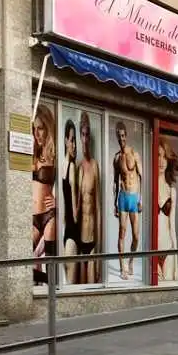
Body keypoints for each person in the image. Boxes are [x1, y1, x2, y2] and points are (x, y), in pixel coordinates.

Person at [113, 121, 143, 280]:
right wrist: (114, 204)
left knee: (136, 236)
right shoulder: (117, 158)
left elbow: (142, 177)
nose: (121, 139)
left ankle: (130, 262)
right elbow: (115, 182)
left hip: (134, 197)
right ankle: (122, 267)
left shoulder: (135, 154)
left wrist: (141, 199)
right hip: (123, 197)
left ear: (127, 136)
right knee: (122, 234)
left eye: (123, 135)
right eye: (119, 136)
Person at [32, 104, 57, 286]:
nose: (37, 134)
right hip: (32, 216)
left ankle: (52, 296)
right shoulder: (32, 153)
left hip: (49, 216)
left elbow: (67, 184)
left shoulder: (54, 155)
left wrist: (58, 200)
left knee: (51, 262)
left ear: (47, 128)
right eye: (34, 129)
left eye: (40, 128)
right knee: (23, 262)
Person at [78, 113, 101, 283]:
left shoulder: (94, 166)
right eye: (82, 135)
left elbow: (98, 206)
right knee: (79, 285)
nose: (85, 139)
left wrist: (100, 243)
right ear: (80, 137)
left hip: (92, 233)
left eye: (87, 135)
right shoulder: (77, 167)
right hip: (79, 235)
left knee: (92, 283)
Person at [157, 137, 178, 282]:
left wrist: (176, 257)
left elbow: (172, 227)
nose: (161, 161)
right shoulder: (149, 187)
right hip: (151, 251)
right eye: (159, 155)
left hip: (168, 248)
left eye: (165, 157)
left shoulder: (172, 191)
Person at [62, 119, 80, 284]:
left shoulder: (61, 166)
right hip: (72, 232)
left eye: (75, 141)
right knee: (70, 284)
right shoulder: (72, 168)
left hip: (62, 232)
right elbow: (74, 212)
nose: (74, 145)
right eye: (72, 140)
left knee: (63, 282)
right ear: (66, 140)